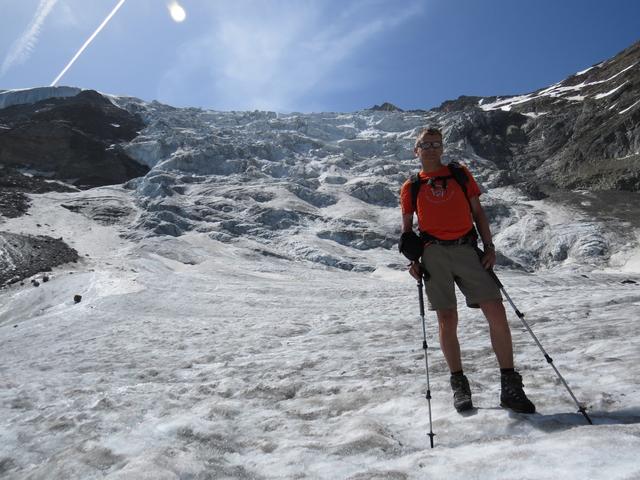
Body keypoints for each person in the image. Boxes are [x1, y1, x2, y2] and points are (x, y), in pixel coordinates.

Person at [399, 127, 535, 414]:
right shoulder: (411, 186)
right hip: (432, 253)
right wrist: (413, 260)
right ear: (416, 150)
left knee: (496, 311)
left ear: (443, 148)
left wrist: (489, 246)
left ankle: (510, 385)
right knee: (447, 319)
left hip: (467, 248)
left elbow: (478, 211)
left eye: (437, 144)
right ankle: (459, 384)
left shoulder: (460, 174)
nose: (432, 148)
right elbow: (407, 228)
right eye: (426, 144)